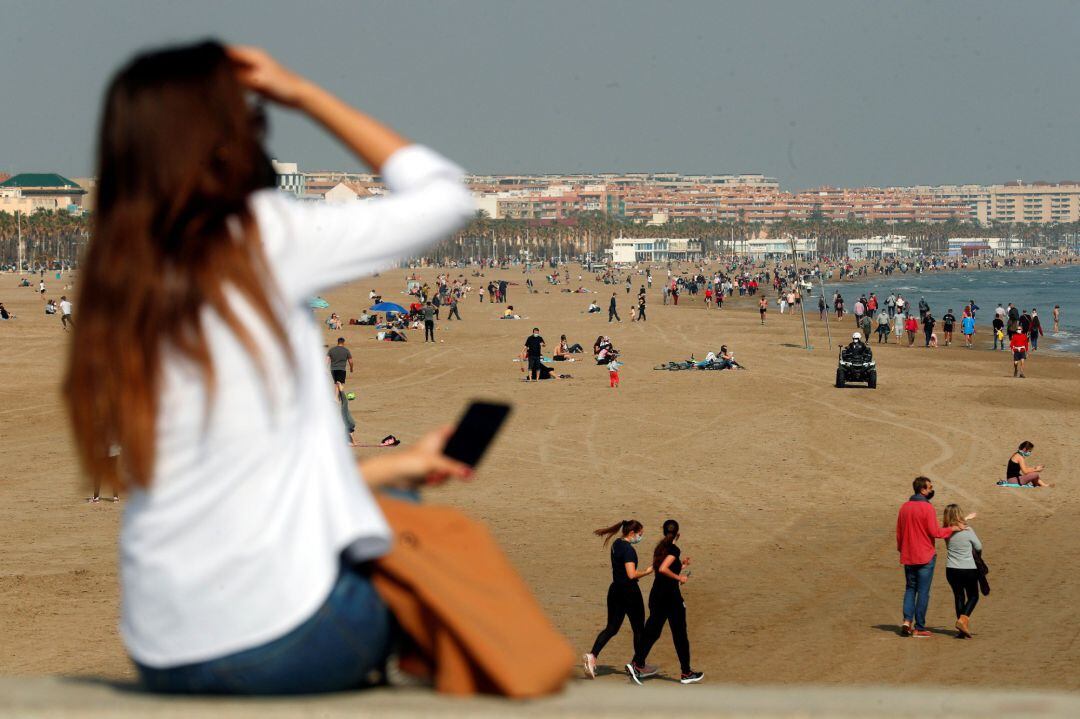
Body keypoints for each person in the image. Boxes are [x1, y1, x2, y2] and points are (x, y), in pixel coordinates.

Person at [64, 42, 476, 694]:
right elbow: (446, 196)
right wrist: (302, 93)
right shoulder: (260, 236)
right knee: (413, 527)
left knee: (393, 489)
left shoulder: (119, 275)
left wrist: (395, 465)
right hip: (285, 645)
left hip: (162, 651)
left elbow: (229, 482)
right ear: (227, 136)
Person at [627, 519, 703, 685]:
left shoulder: (660, 548)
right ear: (678, 534)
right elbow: (663, 569)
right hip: (671, 598)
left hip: (657, 595)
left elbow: (663, 568)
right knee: (680, 635)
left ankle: (637, 663)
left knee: (652, 632)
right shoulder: (674, 549)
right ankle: (686, 672)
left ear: (663, 532)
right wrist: (680, 577)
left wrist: (680, 566)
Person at [583, 520, 655, 681]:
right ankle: (639, 665)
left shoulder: (616, 544)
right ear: (632, 533)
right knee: (639, 630)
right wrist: (648, 571)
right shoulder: (629, 550)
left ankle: (592, 656)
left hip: (615, 590)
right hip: (629, 593)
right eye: (640, 534)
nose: (641, 537)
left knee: (612, 628)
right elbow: (631, 574)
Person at [896, 477, 962, 638]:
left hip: (909, 555)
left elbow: (899, 533)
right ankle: (919, 627)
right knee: (923, 592)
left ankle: (907, 621)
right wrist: (953, 528)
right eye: (930, 487)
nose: (932, 490)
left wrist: (902, 550)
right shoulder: (927, 508)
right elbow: (935, 532)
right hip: (925, 556)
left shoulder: (904, 507)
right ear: (923, 490)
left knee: (910, 589)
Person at [943, 504, 982, 638]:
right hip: (968, 568)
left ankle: (961, 630)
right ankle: (962, 621)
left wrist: (966, 519)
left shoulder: (946, 531)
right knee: (973, 596)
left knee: (959, 596)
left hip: (951, 569)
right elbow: (978, 546)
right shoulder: (968, 531)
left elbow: (953, 527)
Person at [335, 381, 358, 447]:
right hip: (351, 423)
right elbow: (342, 398)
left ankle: (351, 442)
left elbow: (343, 398)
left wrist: (340, 387)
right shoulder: (344, 408)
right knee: (349, 431)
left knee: (346, 432)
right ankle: (353, 442)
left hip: (349, 423)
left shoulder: (343, 408)